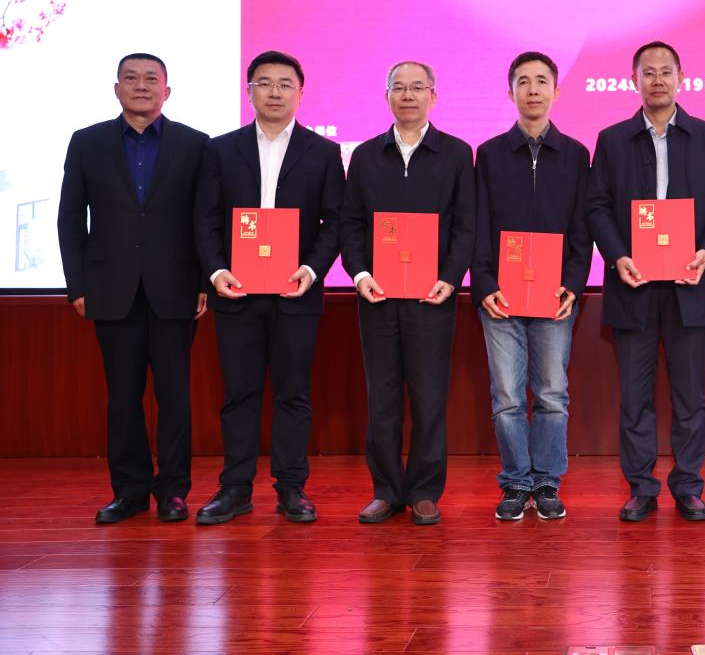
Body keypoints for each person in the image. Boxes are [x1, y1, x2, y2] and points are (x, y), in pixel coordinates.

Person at [586, 40, 705, 522]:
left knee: (690, 396)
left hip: (691, 285)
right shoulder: (612, 140)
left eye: (665, 71)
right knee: (635, 397)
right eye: (647, 72)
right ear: (634, 80)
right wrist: (618, 256)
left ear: (680, 78)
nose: (657, 79)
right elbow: (597, 207)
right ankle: (641, 487)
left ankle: (688, 486)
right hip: (632, 284)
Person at [193, 50, 345, 525]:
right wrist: (216, 271)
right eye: (264, 83)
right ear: (249, 91)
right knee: (238, 393)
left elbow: (336, 222)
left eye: (284, 84)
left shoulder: (323, 152)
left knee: (292, 394)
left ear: (300, 92)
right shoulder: (220, 149)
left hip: (295, 293)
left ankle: (291, 488)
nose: (274, 92)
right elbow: (205, 218)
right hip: (236, 291)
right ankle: (235, 489)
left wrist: (312, 270)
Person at [57, 53, 208, 524]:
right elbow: (70, 218)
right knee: (122, 396)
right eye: (131, 78)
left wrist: (204, 280)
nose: (141, 86)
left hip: (176, 286)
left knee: (175, 396)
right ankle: (129, 491)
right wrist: (77, 285)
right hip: (110, 287)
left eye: (151, 79)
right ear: (116, 88)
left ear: (167, 90)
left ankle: (174, 491)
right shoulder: (87, 142)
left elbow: (205, 219)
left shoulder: (195, 144)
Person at [341, 60, 474, 526]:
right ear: (387, 97)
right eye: (399, 87)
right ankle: (385, 490)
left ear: (433, 96)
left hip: (431, 297)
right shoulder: (365, 156)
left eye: (418, 87)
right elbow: (351, 223)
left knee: (429, 398)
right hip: (377, 296)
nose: (408, 95)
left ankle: (424, 491)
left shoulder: (456, 154)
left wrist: (450, 278)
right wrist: (359, 274)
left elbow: (466, 225)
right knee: (382, 398)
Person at [472, 52, 592, 521]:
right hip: (500, 295)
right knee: (506, 396)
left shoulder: (576, 154)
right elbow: (478, 224)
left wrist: (573, 284)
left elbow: (582, 228)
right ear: (511, 93)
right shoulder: (490, 154)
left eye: (542, 81)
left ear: (556, 91)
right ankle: (515, 482)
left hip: (554, 295)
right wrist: (484, 282)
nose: (533, 89)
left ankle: (546, 482)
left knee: (551, 394)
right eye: (523, 81)